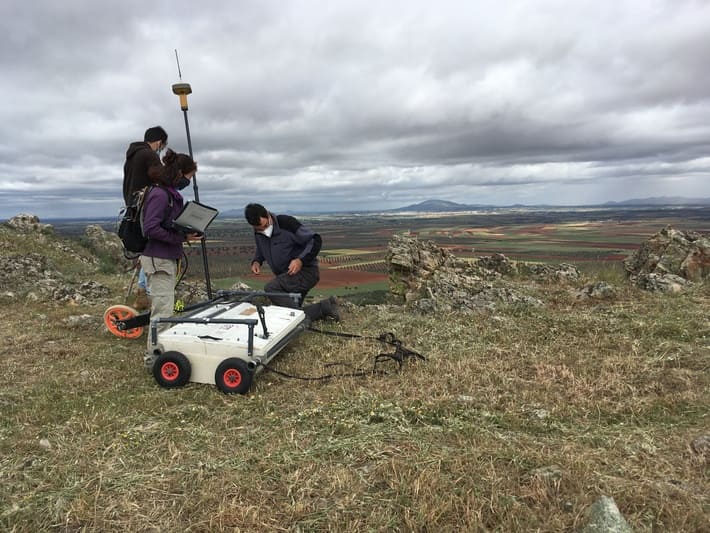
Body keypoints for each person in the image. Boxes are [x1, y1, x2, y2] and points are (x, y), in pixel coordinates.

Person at [141, 149, 202, 370]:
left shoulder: (169, 194)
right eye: (188, 177)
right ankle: (155, 361)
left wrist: (184, 233)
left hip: (166, 258)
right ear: (180, 173)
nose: (188, 181)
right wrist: (179, 237)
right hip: (159, 259)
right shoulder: (160, 195)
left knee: (165, 309)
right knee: (163, 311)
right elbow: (151, 228)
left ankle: (162, 355)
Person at [244, 203, 340, 322]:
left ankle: (317, 311)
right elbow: (262, 248)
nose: (264, 230)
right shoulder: (258, 232)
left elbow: (315, 240)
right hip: (287, 277)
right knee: (288, 313)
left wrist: (300, 260)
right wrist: (257, 261)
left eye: (265, 225)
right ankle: (327, 306)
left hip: (305, 272)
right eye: (259, 229)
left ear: (268, 215)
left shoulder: (287, 224)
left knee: (271, 288)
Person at [122, 126, 169, 311]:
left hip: (133, 208)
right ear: (158, 142)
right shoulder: (149, 155)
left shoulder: (132, 156)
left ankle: (142, 292)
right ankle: (146, 293)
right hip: (146, 210)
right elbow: (164, 178)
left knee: (147, 251)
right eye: (162, 146)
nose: (161, 149)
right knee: (153, 249)